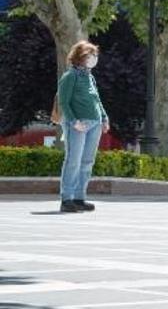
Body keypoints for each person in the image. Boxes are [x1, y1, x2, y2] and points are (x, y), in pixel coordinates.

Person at [57, 41, 110, 213]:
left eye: (95, 55)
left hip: (94, 124)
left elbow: (97, 100)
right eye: (90, 55)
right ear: (80, 57)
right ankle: (67, 199)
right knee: (73, 160)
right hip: (77, 124)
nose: (94, 58)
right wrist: (74, 122)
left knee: (87, 161)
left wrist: (104, 118)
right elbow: (63, 102)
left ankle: (79, 197)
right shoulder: (70, 76)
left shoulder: (90, 77)